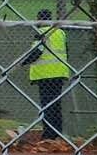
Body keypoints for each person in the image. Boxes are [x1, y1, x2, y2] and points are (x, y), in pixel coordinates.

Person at [23, 9, 70, 141]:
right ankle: (57, 132)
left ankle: (49, 133)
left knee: (47, 105)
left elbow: (37, 52)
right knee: (56, 104)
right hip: (59, 73)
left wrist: (24, 61)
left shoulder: (40, 33)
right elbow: (67, 52)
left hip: (45, 75)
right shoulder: (60, 33)